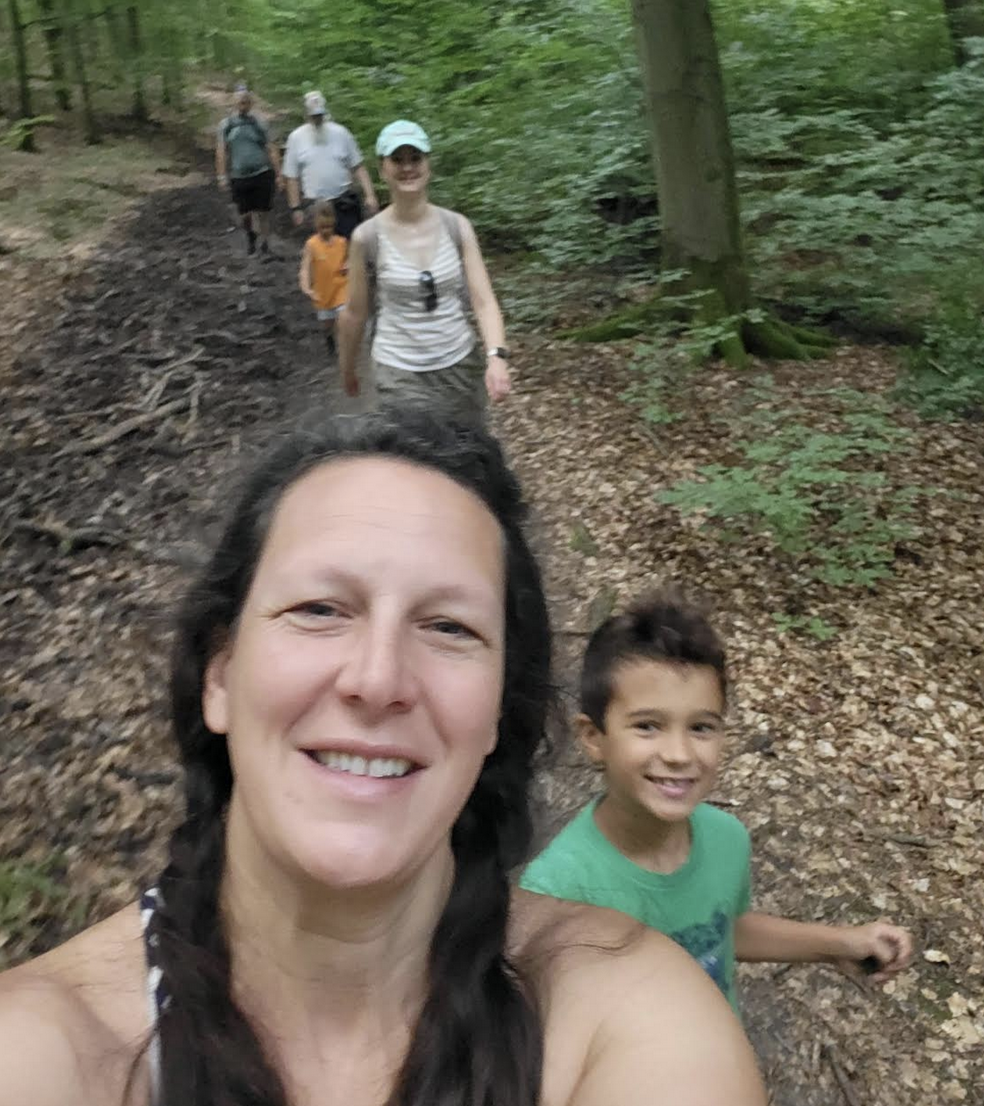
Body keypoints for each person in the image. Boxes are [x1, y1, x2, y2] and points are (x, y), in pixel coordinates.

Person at [0, 410, 766, 1106]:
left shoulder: (623, 1019)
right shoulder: (45, 1054)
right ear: (221, 675)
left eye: (449, 627)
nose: (378, 680)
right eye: (320, 610)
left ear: (500, 709)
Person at [521, 590, 914, 1015]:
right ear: (593, 738)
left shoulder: (727, 838)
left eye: (702, 727)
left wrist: (837, 944)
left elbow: (724, 930)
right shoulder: (556, 893)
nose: (679, 754)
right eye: (648, 726)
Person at [338, 121, 511, 420]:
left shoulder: (457, 226)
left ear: (428, 164)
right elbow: (354, 312)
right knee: (415, 458)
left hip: (459, 367)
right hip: (398, 372)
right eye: (398, 159)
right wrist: (348, 368)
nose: (407, 167)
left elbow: (484, 301)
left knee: (465, 456)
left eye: (415, 158)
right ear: (383, 169)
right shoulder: (366, 238)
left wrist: (497, 358)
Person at [283, 91, 379, 240]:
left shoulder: (341, 133)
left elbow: (358, 166)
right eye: (313, 115)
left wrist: (370, 195)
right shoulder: (296, 138)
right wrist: (295, 208)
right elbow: (292, 177)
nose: (317, 119)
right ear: (306, 115)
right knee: (321, 251)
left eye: (319, 115)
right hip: (315, 206)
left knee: (350, 245)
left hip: (344, 202)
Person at [215, 84, 282, 257]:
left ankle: (265, 244)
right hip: (239, 176)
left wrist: (279, 174)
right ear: (234, 103)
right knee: (244, 213)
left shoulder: (259, 123)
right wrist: (221, 175)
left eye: (246, 101)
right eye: (240, 101)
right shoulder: (226, 125)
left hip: (262, 172)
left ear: (250, 103)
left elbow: (271, 147)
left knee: (263, 211)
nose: (243, 104)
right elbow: (221, 151)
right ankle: (251, 236)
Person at [298, 200, 348, 364]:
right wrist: (307, 287)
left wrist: (349, 267)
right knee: (327, 323)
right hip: (323, 292)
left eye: (329, 227)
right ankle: (330, 342)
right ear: (315, 225)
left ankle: (345, 349)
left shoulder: (341, 242)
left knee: (343, 318)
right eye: (322, 228)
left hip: (341, 287)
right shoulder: (311, 245)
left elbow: (349, 261)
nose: (326, 231)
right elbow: (305, 268)